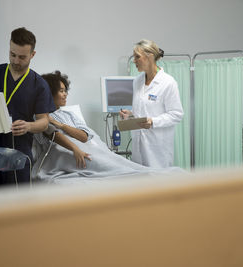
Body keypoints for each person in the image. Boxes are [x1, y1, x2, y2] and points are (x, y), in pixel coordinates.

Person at [32, 71, 185, 184]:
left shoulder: (69, 115)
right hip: (64, 155)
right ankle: (149, 176)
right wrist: (74, 148)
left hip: (86, 148)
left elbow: (84, 136)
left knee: (115, 162)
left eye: (66, 90)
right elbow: (53, 136)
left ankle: (151, 174)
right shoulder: (40, 118)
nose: (65, 94)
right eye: (61, 91)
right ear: (49, 93)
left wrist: (61, 125)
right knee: (109, 167)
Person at [0, 27, 55, 188]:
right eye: (12, 55)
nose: (15, 61)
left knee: (15, 209)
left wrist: (28, 126)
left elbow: (44, 123)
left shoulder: (39, 84)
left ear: (32, 55)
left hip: (18, 156)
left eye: (22, 57)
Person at [120, 39, 184, 168]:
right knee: (141, 182)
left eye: (137, 57)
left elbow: (177, 114)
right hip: (138, 145)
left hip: (158, 148)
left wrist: (153, 122)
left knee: (159, 184)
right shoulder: (137, 82)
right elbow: (143, 110)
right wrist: (130, 115)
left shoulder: (168, 82)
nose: (134, 60)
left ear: (149, 57)